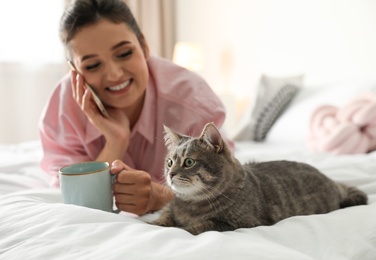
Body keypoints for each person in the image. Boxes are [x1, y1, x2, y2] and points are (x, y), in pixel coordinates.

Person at [39, 0, 233, 216]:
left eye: (124, 54)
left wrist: (161, 197)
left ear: (144, 46)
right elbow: (73, 200)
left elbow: (226, 191)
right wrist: (116, 141)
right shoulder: (63, 109)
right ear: (74, 71)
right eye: (92, 65)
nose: (114, 75)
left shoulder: (193, 103)